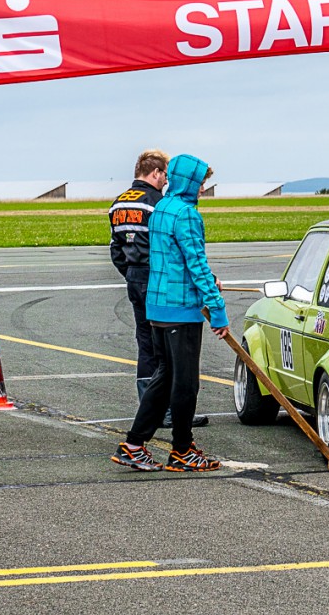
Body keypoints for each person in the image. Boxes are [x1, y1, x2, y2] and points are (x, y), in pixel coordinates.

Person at [111, 154, 228, 472]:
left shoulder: (162, 208)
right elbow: (196, 263)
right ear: (190, 182)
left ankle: (134, 444)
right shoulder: (187, 214)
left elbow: (173, 259)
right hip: (180, 311)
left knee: (163, 379)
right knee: (185, 384)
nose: (203, 188)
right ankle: (181, 449)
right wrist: (216, 307)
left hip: (157, 308)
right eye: (202, 182)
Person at [108, 149, 207, 427]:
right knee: (167, 352)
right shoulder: (157, 203)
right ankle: (168, 410)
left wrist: (130, 274)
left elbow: (115, 248)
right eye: (164, 175)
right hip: (159, 281)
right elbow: (165, 248)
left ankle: (148, 406)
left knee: (144, 343)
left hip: (134, 278)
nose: (166, 181)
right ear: (156, 173)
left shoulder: (118, 203)